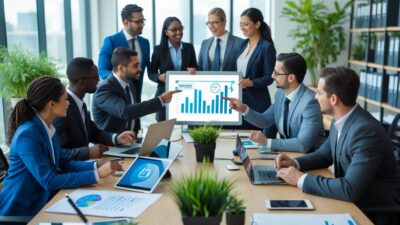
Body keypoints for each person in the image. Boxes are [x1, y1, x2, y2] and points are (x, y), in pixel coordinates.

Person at [275, 67, 400, 225]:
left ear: (333, 99)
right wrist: (295, 163)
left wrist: (300, 179)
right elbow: (324, 155)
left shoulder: (366, 131)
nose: (315, 97)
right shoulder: (339, 120)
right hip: (350, 203)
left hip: (372, 214)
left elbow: (350, 188)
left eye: (319, 93)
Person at [0, 76, 123, 216]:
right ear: (51, 104)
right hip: (21, 212)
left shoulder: (48, 127)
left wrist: (97, 165)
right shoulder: (27, 135)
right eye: (65, 99)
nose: (68, 103)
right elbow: (49, 181)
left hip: (44, 202)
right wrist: (97, 174)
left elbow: (64, 163)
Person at [224, 53, 325, 153]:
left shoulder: (310, 102)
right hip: (288, 156)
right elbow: (264, 120)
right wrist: (243, 108)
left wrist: (267, 142)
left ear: (291, 78)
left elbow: (302, 144)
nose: (272, 76)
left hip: (309, 162)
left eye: (276, 73)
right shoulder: (280, 94)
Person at [54, 58, 136, 161]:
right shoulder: (61, 109)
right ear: (82, 82)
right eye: (95, 77)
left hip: (84, 165)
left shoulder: (79, 103)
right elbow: (60, 153)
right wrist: (88, 152)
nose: (99, 80)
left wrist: (117, 138)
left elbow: (94, 133)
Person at [93, 48, 181, 134]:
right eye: (135, 66)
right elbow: (125, 112)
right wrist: (160, 100)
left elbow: (136, 112)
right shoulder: (104, 89)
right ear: (121, 68)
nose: (140, 69)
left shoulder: (130, 84)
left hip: (131, 142)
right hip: (111, 145)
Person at [98, 4, 150, 104]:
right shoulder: (111, 41)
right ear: (126, 22)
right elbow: (102, 70)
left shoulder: (145, 43)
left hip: (137, 99)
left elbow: (148, 68)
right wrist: (123, 79)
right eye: (139, 22)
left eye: (143, 21)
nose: (142, 24)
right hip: (117, 97)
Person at [235, 8, 276, 133]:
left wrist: (251, 82)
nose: (242, 28)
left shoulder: (266, 47)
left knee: (255, 141)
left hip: (257, 103)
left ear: (257, 24)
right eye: (240, 25)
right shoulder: (242, 44)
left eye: (246, 24)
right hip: (240, 101)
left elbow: (269, 77)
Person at [148, 17, 197, 122]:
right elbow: (151, 72)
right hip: (164, 95)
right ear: (166, 31)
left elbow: (195, 67)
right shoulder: (158, 50)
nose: (178, 32)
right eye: (174, 30)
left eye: (180, 28)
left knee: (186, 127)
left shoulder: (189, 48)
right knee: (163, 128)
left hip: (186, 94)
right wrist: (159, 77)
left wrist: (193, 70)